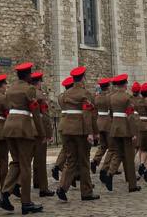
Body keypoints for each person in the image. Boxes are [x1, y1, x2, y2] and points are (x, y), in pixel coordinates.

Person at [0, 61, 44, 213]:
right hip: (23, 129)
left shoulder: (10, 89)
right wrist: (41, 132)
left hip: (9, 128)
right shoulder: (29, 89)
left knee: (16, 162)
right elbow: (36, 113)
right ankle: (26, 203)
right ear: (28, 75)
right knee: (25, 166)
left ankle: (5, 192)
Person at [56, 66, 99, 203]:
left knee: (70, 159)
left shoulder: (64, 95)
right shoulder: (85, 94)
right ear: (83, 78)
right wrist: (91, 132)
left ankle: (62, 187)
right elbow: (87, 115)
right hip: (80, 131)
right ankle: (86, 192)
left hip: (65, 129)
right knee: (84, 161)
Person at [102, 73, 140, 192]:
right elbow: (130, 116)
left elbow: (111, 114)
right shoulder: (127, 98)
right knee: (129, 156)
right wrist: (133, 132)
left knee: (118, 153)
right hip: (125, 129)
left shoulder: (111, 97)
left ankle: (110, 173)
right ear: (124, 84)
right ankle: (132, 185)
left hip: (115, 128)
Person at [29, 71, 54, 198]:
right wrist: (48, 133)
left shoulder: (26, 93)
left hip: (27, 129)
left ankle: (35, 181)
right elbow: (45, 116)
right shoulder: (40, 95)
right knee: (41, 159)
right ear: (39, 82)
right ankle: (43, 187)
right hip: (38, 130)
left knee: (29, 158)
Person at [90, 77, 112, 174]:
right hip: (108, 123)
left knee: (103, 145)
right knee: (112, 147)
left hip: (99, 122)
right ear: (108, 86)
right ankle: (106, 167)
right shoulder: (110, 97)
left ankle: (95, 160)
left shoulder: (97, 97)